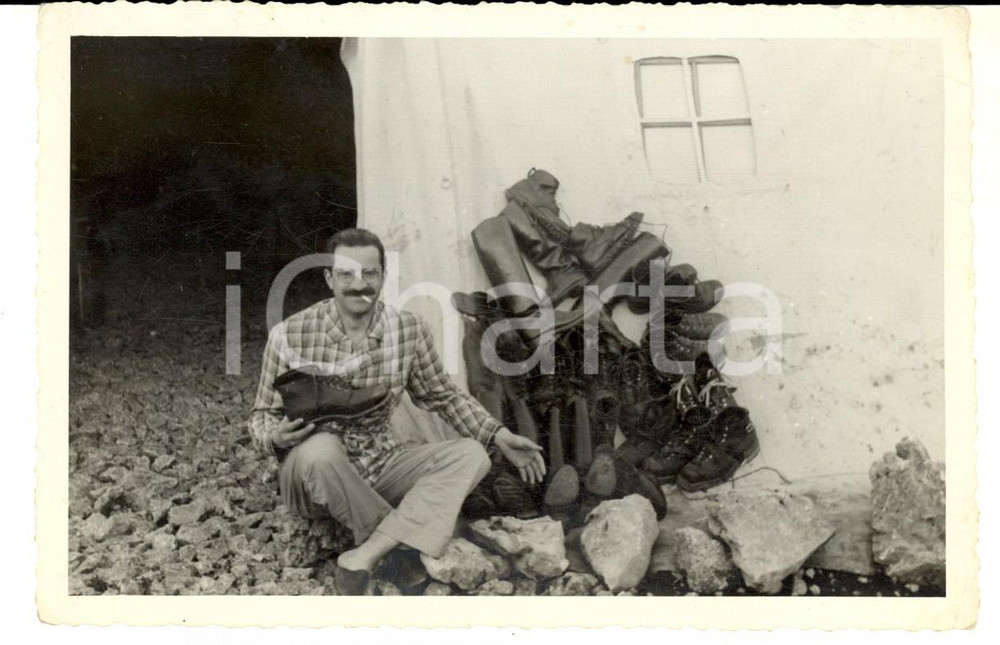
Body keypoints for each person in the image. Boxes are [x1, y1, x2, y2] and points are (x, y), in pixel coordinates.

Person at [248, 228, 546, 590]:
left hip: (382, 465)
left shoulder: (408, 330)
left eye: (369, 273)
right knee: (321, 450)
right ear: (329, 279)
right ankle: (402, 538)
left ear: (383, 276)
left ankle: (369, 553)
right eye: (346, 274)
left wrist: (498, 435)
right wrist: (275, 437)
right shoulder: (290, 334)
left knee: (472, 455)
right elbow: (261, 415)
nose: (359, 285)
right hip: (312, 476)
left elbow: (443, 395)